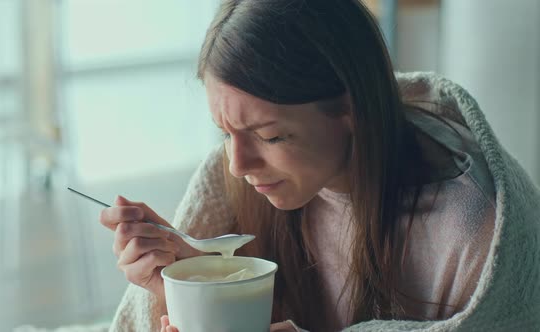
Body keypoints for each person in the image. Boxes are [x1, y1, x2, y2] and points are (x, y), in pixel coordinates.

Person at [100, 1, 540, 331]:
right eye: (225, 133)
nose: (236, 165)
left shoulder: (471, 233)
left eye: (271, 137)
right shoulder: (250, 180)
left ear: (351, 109)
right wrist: (187, 285)